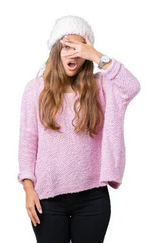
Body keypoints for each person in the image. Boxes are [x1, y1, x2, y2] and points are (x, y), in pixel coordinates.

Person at [18, 15, 141, 243]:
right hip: (48, 198)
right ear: (55, 50)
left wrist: (96, 55)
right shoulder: (34, 90)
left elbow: (131, 86)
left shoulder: (100, 86)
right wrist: (28, 189)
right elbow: (28, 141)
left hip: (92, 198)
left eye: (79, 48)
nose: (72, 53)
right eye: (66, 46)